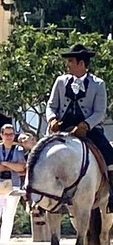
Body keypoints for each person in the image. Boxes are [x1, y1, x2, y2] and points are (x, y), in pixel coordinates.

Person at [45, 43, 113, 211]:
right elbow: (51, 105)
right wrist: (52, 119)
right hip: (61, 129)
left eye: (70, 61)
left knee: (110, 157)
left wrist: (85, 125)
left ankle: (111, 196)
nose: (67, 64)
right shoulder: (60, 81)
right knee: (38, 153)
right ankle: (35, 195)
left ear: (81, 63)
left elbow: (100, 112)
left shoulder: (98, 84)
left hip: (89, 131)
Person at [0, 124, 26, 242]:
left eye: (11, 134)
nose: (9, 137)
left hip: (15, 184)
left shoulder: (19, 149)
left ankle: (4, 242)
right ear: (1, 135)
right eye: (6, 134)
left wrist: (5, 163)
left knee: (9, 215)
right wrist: (13, 166)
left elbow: (22, 167)